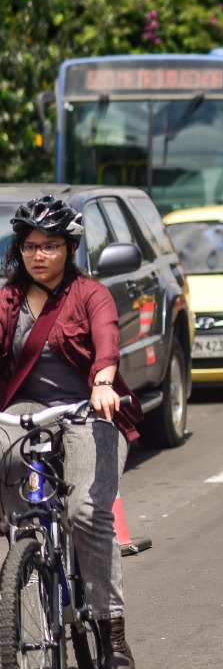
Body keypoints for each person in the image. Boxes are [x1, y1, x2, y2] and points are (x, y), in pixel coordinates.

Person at [0, 197, 144, 669]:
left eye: (51, 245)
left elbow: (107, 338)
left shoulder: (90, 295)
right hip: (25, 410)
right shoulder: (8, 298)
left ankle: (111, 630)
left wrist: (103, 380)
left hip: (88, 409)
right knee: (12, 499)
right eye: (30, 246)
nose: (38, 255)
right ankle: (23, 572)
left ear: (71, 247)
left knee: (85, 512)